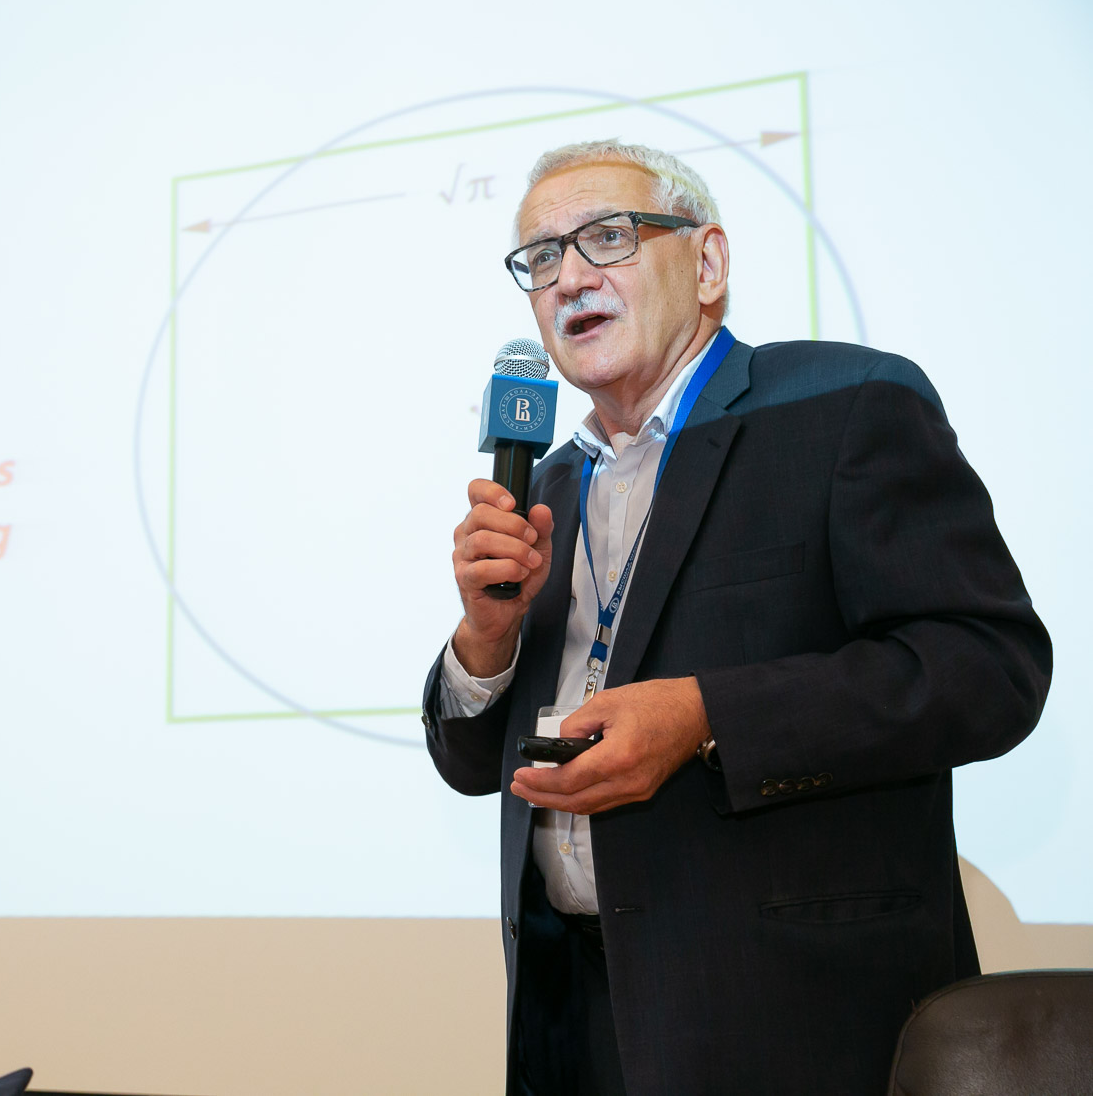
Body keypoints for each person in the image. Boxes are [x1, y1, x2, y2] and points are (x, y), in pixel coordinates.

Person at [420, 139, 1050, 1096]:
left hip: (792, 1028)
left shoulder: (846, 406)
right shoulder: (545, 486)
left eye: (607, 237)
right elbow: (473, 765)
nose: (569, 277)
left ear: (707, 262)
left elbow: (989, 668)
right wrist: (486, 638)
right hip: (576, 1023)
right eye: (541, 258)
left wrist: (705, 714)